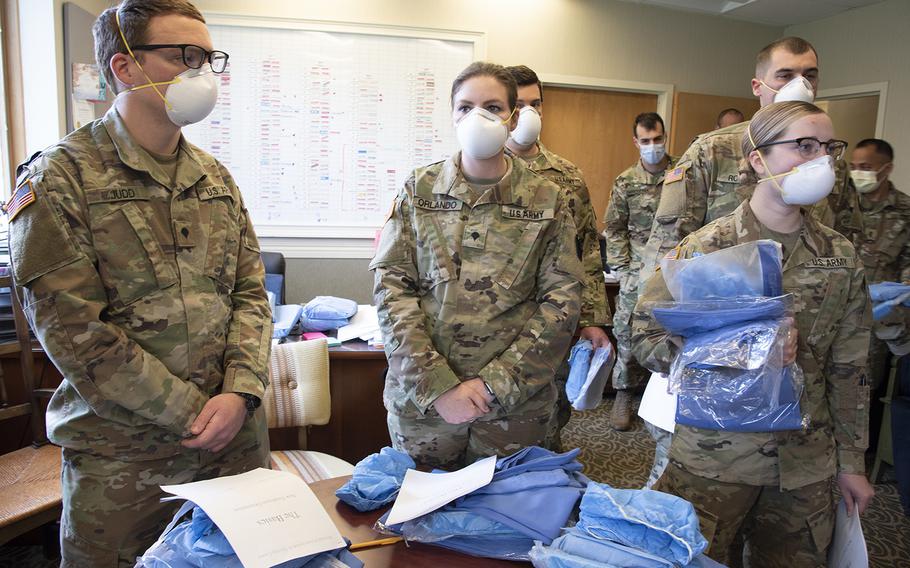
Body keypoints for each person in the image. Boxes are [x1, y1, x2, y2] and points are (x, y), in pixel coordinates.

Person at [6, 1, 272, 565]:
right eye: (184, 56)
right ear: (124, 67)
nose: (202, 72)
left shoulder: (215, 176)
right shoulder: (59, 176)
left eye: (208, 57)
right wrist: (192, 413)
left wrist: (239, 391)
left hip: (234, 444)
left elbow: (251, 293)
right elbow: (72, 329)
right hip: (125, 459)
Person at [631, 101, 874, 566]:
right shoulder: (707, 247)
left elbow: (851, 368)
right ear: (758, 158)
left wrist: (851, 463)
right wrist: (740, 349)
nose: (819, 160)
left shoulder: (839, 255)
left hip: (806, 461)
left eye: (828, 148)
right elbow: (645, 337)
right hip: (715, 458)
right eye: (803, 146)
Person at [371, 62, 583, 470]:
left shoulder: (547, 198)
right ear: (452, 114)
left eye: (492, 107)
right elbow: (392, 290)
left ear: (513, 117)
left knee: (507, 519)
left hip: (513, 407)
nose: (477, 117)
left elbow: (562, 302)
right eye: (465, 107)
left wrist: (492, 386)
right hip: (425, 406)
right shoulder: (419, 189)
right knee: (423, 514)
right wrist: (438, 387)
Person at [638, 37, 859, 289]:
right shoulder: (712, 149)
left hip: (810, 299)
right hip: (725, 301)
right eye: (785, 76)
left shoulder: (829, 159)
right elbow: (668, 245)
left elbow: (846, 239)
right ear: (758, 86)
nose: (801, 85)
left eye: (810, 75)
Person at [504, 64, 611, 449]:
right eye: (517, 105)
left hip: (554, 322)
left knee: (548, 418)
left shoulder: (566, 176)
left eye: (536, 104)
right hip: (496, 324)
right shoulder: (480, 168)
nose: (528, 114)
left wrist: (593, 319)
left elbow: (587, 250)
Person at [603, 112, 676, 431]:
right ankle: (623, 395)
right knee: (628, 333)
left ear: (665, 136)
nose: (652, 146)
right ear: (636, 142)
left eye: (657, 139)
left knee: (675, 336)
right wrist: (622, 267)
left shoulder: (684, 175)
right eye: (645, 141)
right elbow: (614, 227)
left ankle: (667, 401)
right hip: (637, 271)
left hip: (676, 270)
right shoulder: (626, 181)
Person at [847, 138, 910, 448]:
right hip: (839, 311)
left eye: (866, 167)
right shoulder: (840, 204)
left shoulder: (905, 210)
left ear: (887, 169)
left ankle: (857, 453)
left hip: (880, 320)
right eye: (854, 166)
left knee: (864, 389)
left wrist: (898, 300)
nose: (858, 173)